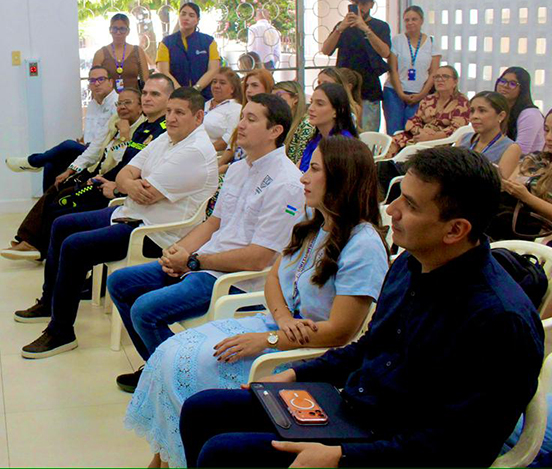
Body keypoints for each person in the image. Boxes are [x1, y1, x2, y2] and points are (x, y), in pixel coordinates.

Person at [178, 146, 544, 468]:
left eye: (410, 205)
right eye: (399, 195)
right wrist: (295, 375)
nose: (391, 209)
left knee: (222, 453)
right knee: (202, 410)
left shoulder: (499, 320)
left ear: (455, 230)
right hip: (358, 411)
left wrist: (341, 457)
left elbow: (461, 447)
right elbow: (371, 347)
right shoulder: (411, 264)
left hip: (396, 444)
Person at [126, 136, 388, 468]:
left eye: (314, 169)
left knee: (184, 366)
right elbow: (273, 280)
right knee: (169, 353)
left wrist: (270, 339)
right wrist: (281, 320)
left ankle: (174, 458)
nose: (303, 176)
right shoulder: (315, 223)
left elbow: (339, 332)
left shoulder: (362, 245)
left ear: (341, 178)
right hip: (277, 327)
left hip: (307, 349)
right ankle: (167, 457)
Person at [108, 94, 305, 393]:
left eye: (251, 119)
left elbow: (259, 259)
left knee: (144, 310)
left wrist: (194, 261)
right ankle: (159, 368)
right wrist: (180, 251)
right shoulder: (239, 169)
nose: (240, 125)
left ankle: (177, 381)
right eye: (242, 117)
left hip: (235, 279)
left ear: (275, 131)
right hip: (203, 262)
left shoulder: (287, 183)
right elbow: (213, 223)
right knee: (121, 283)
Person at [16, 87, 219, 358]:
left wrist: (129, 184)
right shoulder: (168, 138)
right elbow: (127, 172)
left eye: (179, 113)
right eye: (169, 111)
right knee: (62, 224)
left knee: (75, 246)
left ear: (198, 117)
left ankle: (61, 331)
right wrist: (128, 183)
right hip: (130, 213)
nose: (171, 118)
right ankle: (49, 302)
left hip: (154, 233)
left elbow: (146, 192)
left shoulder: (194, 150)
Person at [1, 85, 151, 260]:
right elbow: (93, 150)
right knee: (57, 186)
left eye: (128, 103)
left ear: (140, 107)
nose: (122, 107)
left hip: (108, 181)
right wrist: (70, 170)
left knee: (63, 200)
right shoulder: (114, 121)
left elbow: (123, 160)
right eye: (119, 103)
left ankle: (39, 246)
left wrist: (124, 135)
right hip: (96, 172)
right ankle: (27, 239)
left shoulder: (142, 130)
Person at [6, 65, 118, 190]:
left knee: (68, 145)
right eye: (92, 80)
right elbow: (91, 132)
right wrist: (83, 139)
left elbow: (107, 139)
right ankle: (46, 205)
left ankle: (33, 161)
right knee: (50, 164)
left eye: (101, 79)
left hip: (101, 154)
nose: (96, 83)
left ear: (110, 82)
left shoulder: (117, 104)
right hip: (86, 149)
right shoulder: (92, 104)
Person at [320, 0, 392, 132]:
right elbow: (326, 50)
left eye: (364, 4)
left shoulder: (380, 26)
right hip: (343, 89)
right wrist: (340, 28)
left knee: (367, 133)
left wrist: (365, 29)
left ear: (372, 4)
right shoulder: (343, 26)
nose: (360, 8)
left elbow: (385, 52)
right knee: (342, 130)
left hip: (368, 88)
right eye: (356, 3)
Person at [384, 65, 470, 158]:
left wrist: (430, 137)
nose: (440, 80)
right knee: (390, 143)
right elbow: (414, 120)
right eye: (437, 77)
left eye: (445, 76)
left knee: (412, 150)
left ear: (455, 81)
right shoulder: (429, 99)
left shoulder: (462, 102)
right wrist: (421, 132)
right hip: (419, 135)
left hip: (441, 140)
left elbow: (456, 130)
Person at [383, 6, 440, 134]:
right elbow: (393, 70)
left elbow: (433, 74)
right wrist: (401, 93)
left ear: (421, 21)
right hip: (394, 93)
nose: (410, 23)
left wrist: (422, 94)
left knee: (412, 132)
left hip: (419, 93)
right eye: (407, 20)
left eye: (414, 19)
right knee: (394, 132)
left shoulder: (431, 42)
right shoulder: (397, 40)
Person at [497, 109, 552, 240]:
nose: (549, 137)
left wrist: (526, 197)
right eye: (546, 129)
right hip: (515, 222)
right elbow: (509, 187)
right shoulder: (534, 160)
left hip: (541, 233)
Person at [156, 2, 221, 99]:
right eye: (183, 14)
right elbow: (163, 71)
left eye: (191, 15)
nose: (186, 18)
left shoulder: (208, 41)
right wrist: (181, 91)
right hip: (175, 96)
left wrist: (196, 89)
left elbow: (214, 69)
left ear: (197, 20)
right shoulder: (166, 42)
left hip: (204, 96)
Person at [456, 91, 522, 178]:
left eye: (482, 111)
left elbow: (500, 185)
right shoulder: (464, 138)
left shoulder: (510, 148)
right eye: (472, 111)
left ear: (501, 116)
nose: (474, 116)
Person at [298, 83, 359, 172]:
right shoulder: (317, 138)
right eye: (311, 102)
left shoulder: (343, 145)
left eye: (319, 104)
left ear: (337, 111)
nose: (310, 108)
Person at [91, 13, 151, 91]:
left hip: (133, 100)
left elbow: (146, 81)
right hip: (108, 101)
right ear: (110, 30)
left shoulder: (138, 51)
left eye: (122, 29)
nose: (118, 32)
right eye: (115, 29)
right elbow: (94, 82)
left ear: (128, 31)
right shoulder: (100, 54)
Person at [496, 67, 546, 154]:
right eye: (503, 81)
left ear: (522, 88)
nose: (505, 86)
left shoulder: (530, 114)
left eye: (512, 84)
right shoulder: (498, 110)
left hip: (527, 164)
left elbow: (520, 152)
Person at [273, 81, 313, 167]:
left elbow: (300, 163)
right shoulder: (281, 124)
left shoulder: (306, 126)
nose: (275, 104)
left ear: (295, 99)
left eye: (279, 98)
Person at [203, 67, 244, 152]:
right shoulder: (205, 104)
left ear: (232, 89)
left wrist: (205, 152)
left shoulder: (235, 108)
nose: (216, 86)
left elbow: (229, 139)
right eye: (214, 82)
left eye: (222, 83)